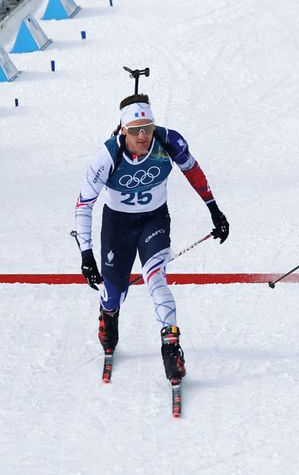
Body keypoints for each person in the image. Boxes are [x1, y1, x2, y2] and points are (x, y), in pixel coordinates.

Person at [74, 93, 230, 383]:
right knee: (113, 292)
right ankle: (108, 315)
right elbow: (84, 204)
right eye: (135, 130)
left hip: (154, 220)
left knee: (155, 276)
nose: (143, 135)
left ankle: (171, 347)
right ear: (123, 130)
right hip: (117, 225)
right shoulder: (107, 155)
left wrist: (214, 210)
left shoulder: (167, 141)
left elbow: (193, 172)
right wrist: (86, 253)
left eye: (148, 127)